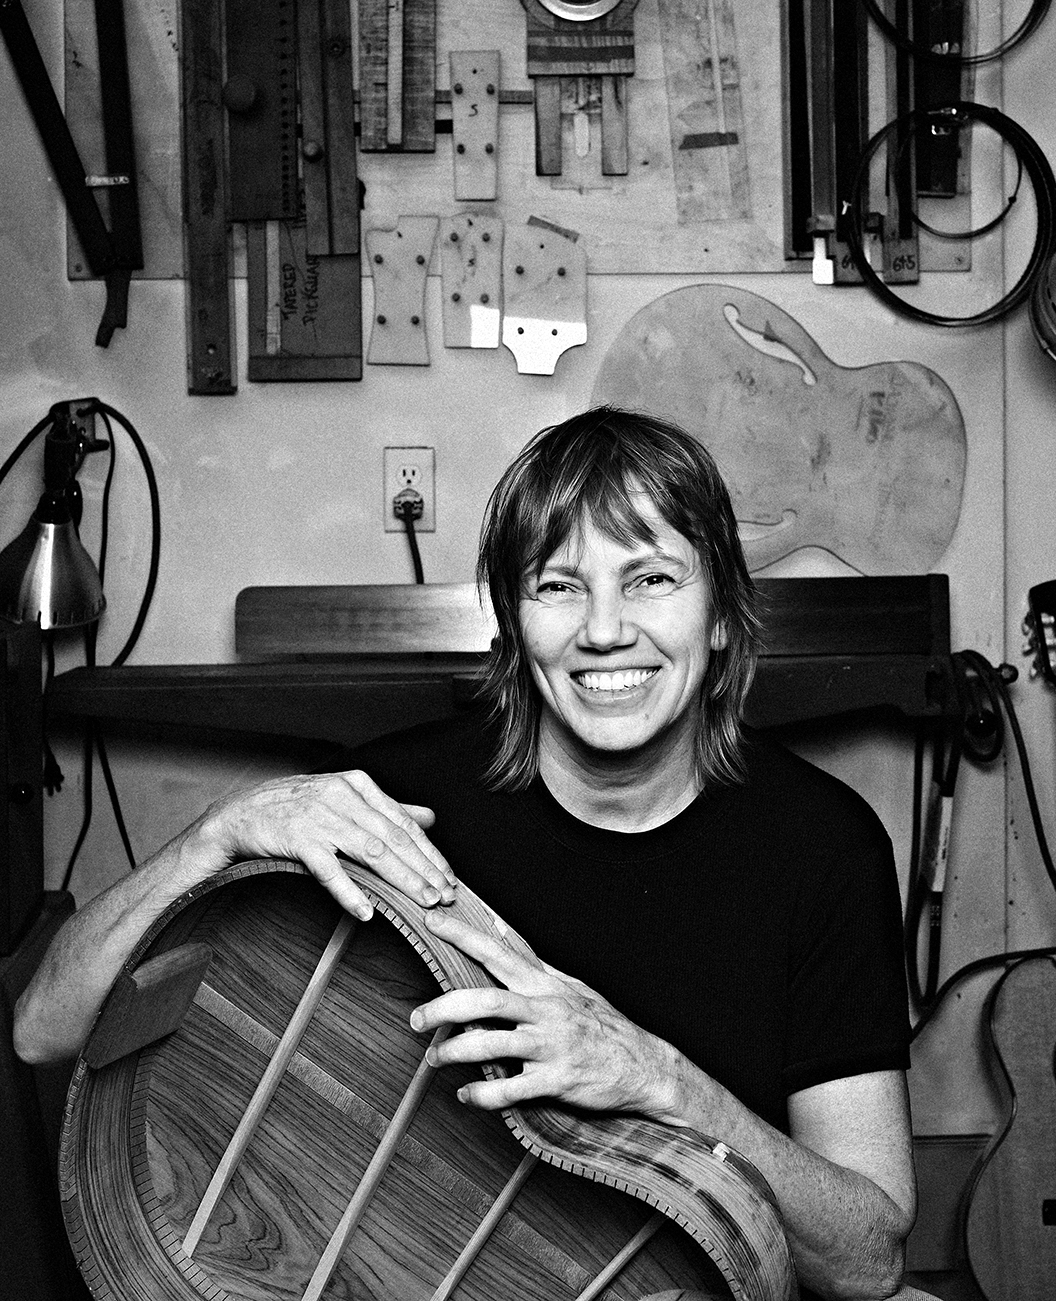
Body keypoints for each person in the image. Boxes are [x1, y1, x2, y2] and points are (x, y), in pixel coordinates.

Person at [14, 407, 915, 1300]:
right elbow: (42, 1028)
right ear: (514, 626)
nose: (605, 629)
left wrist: (659, 1077)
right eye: (558, 585)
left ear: (720, 615)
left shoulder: (824, 847)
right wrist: (217, 830)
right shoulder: (391, 810)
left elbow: (868, 1261)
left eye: (651, 578)